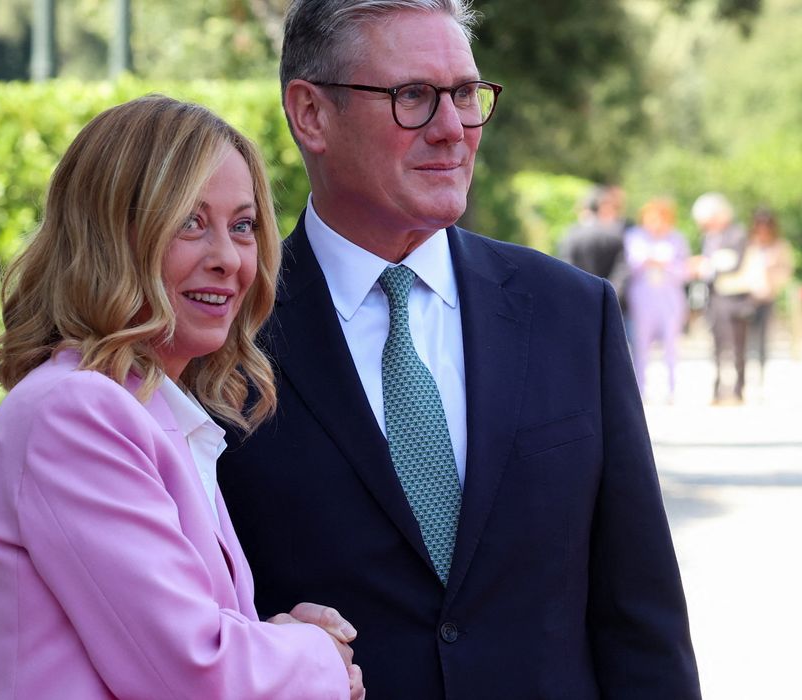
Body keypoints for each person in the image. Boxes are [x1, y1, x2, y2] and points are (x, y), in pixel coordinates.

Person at [216, 1, 701, 698]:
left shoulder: (570, 313)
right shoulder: (225, 336)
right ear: (310, 114)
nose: (452, 130)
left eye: (466, 95)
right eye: (412, 96)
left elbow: (640, 617)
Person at [0, 95, 363, 699]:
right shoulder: (76, 413)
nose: (228, 258)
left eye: (243, 225)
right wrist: (319, 658)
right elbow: (193, 675)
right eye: (189, 222)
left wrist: (273, 642)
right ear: (108, 236)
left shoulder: (137, 407)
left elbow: (181, 642)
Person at [622, 197, 690, 400]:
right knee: (641, 344)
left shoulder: (676, 238)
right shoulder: (635, 236)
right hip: (643, 295)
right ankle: (640, 389)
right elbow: (633, 263)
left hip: (669, 295)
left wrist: (664, 265)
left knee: (671, 343)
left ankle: (671, 388)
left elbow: (684, 269)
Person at [691, 191, 751, 403]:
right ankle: (717, 389)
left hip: (734, 299)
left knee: (736, 346)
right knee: (717, 346)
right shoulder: (707, 237)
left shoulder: (737, 234)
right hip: (713, 298)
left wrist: (707, 267)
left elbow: (733, 263)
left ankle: (738, 389)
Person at [740, 207, 794, 386]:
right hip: (747, 296)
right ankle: (743, 379)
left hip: (767, 297)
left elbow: (785, 270)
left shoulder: (779, 246)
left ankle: (760, 379)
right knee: (744, 340)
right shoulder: (749, 245)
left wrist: (772, 285)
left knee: (763, 340)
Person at [558, 183, 626, 281]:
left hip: (578, 289)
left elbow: (566, 265)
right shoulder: (614, 234)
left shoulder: (571, 234)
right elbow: (621, 271)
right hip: (606, 292)